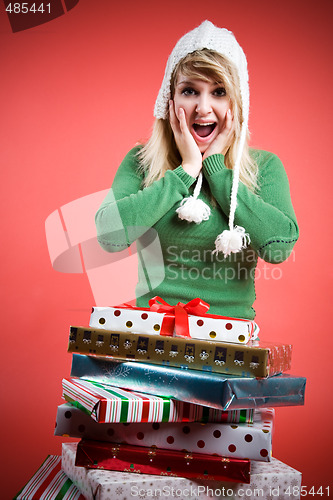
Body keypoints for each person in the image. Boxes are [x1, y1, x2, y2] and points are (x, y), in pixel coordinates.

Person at [95, 20, 298, 320]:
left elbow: (279, 249)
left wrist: (217, 173)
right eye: (190, 91)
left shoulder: (264, 167)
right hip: (150, 332)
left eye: (218, 92)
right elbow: (108, 236)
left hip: (228, 343)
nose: (203, 107)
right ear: (169, 100)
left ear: (237, 104)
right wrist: (186, 171)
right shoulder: (141, 161)